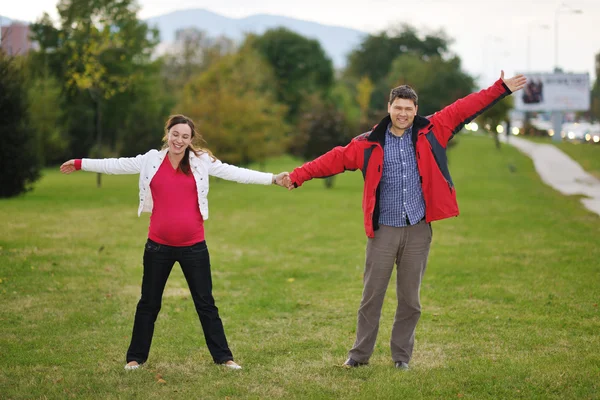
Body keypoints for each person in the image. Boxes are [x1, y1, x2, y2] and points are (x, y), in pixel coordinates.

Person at [283, 71, 527, 370]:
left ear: (416, 110)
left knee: (410, 301)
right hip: (383, 231)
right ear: (389, 108)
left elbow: (466, 106)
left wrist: (501, 88)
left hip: (417, 230)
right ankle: (359, 357)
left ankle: (401, 358)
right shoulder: (368, 143)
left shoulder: (433, 129)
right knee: (371, 298)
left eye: (408, 109)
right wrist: (296, 177)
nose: (403, 113)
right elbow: (332, 159)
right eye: (398, 108)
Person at [60, 114, 289, 371]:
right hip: (158, 246)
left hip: (194, 247)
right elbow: (117, 164)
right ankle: (135, 358)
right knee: (149, 303)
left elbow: (235, 173)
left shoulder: (201, 162)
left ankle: (224, 358)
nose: (179, 140)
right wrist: (80, 163)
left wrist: (272, 178)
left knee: (206, 304)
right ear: (167, 133)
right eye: (175, 134)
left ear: (191, 139)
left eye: (185, 136)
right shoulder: (150, 160)